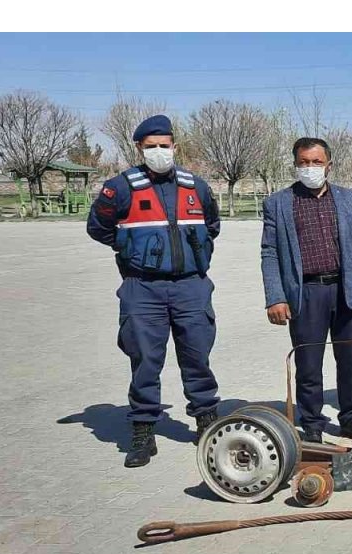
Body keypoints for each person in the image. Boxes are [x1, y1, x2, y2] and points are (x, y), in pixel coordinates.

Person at [86, 114, 221, 468]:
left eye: (165, 145)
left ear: (175, 145)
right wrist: (131, 248)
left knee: (197, 355)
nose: (159, 151)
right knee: (145, 360)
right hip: (142, 287)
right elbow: (97, 227)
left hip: (191, 286)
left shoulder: (197, 187)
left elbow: (212, 226)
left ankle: (206, 419)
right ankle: (143, 429)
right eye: (151, 147)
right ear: (139, 148)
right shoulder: (121, 187)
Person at [260, 137, 352, 443]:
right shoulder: (279, 203)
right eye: (303, 162)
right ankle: (312, 424)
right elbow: (270, 252)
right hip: (306, 292)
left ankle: (350, 419)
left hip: (346, 290)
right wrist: (275, 296)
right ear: (295, 165)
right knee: (309, 363)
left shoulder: (348, 199)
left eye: (316, 162)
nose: (310, 168)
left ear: (329, 165)